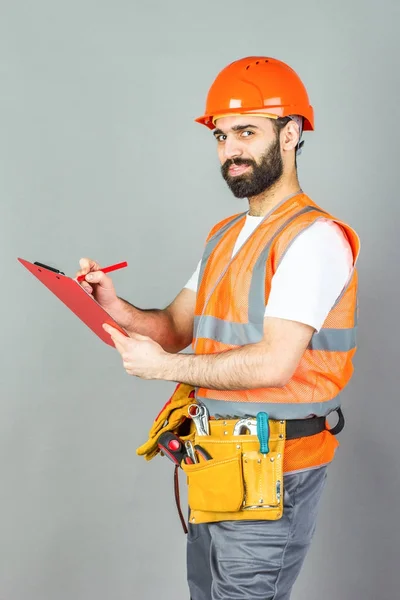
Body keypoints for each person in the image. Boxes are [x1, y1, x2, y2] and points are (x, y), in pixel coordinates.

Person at [76, 56, 360, 600]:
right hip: (216, 461)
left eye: (247, 131)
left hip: (272, 467)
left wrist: (164, 370)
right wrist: (115, 307)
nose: (230, 149)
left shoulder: (312, 238)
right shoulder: (227, 233)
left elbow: (276, 362)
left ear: (291, 135)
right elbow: (175, 327)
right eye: (221, 135)